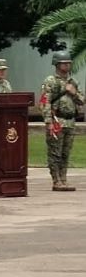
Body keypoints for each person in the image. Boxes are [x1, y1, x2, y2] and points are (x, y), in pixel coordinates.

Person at [40, 50, 83, 191]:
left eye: (68, 63)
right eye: (64, 63)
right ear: (57, 64)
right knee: (55, 153)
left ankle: (63, 179)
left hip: (70, 121)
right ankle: (56, 180)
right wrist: (48, 122)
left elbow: (82, 100)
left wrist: (73, 92)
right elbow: (45, 102)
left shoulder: (73, 82)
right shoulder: (50, 81)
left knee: (66, 152)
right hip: (57, 120)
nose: (67, 66)